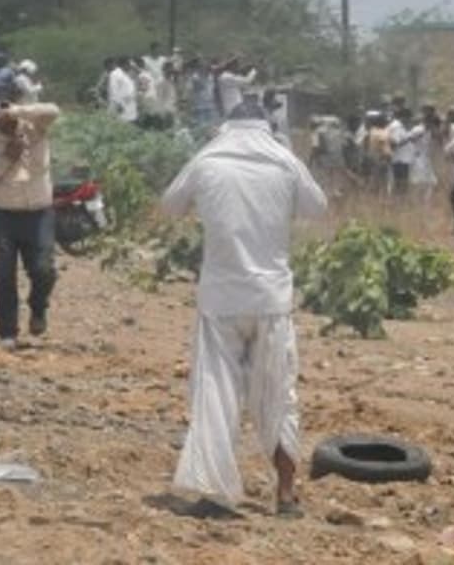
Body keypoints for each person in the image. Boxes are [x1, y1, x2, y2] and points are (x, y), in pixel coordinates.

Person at [160, 97, 326, 519]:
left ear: (226, 127)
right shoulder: (284, 161)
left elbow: (170, 206)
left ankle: (214, 492)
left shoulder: (207, 159)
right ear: (265, 126)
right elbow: (317, 208)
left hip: (220, 299)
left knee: (215, 392)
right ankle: (286, 495)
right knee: (278, 394)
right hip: (271, 299)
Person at [0, 102, 62, 351]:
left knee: (44, 269)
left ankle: (38, 306)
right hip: (3, 214)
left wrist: (18, 111)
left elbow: (53, 111)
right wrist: (6, 159)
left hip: (39, 211)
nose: (13, 133)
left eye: (14, 127)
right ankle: (7, 331)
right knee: (3, 274)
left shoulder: (33, 124)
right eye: (6, 128)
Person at [386, 108, 415, 197]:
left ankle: (400, 202)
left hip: (402, 159)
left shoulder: (398, 126)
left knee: (401, 184)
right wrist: (409, 138)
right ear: (403, 117)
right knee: (401, 184)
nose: (409, 120)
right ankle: (399, 203)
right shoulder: (396, 127)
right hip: (399, 160)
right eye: (408, 118)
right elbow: (394, 143)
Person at [107, 57, 138, 124]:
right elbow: (113, 90)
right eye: (128, 64)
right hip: (120, 106)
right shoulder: (115, 74)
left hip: (129, 106)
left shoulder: (127, 75)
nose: (130, 66)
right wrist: (118, 103)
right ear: (124, 64)